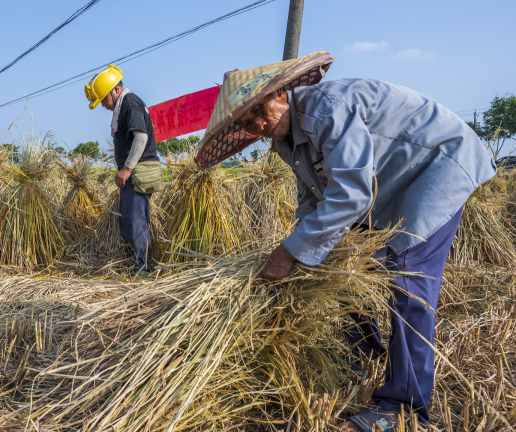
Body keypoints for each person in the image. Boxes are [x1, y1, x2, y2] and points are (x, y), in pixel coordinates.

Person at [197, 52, 496, 432]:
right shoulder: (287, 140)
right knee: (343, 266)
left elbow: (351, 194)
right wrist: (301, 251)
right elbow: (313, 198)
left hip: (438, 163)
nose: (258, 124)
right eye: (246, 123)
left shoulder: (326, 109)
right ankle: (363, 353)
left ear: (280, 93)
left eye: (259, 110)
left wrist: (289, 251)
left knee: (408, 280)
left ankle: (402, 408)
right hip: (387, 181)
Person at [84, 65, 160, 276]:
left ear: (115, 90)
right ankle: (133, 265)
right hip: (132, 173)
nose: (103, 105)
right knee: (127, 220)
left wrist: (126, 169)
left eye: (103, 100)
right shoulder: (123, 105)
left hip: (139, 172)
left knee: (136, 221)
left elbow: (141, 137)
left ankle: (142, 269)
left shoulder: (130, 102)